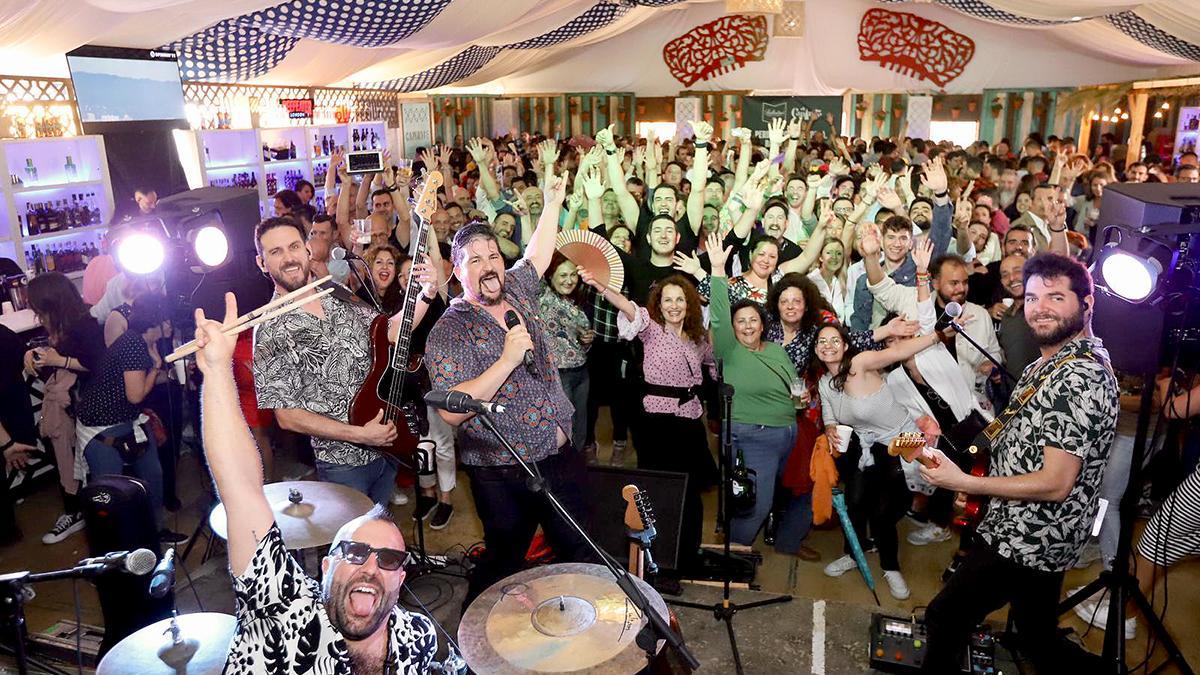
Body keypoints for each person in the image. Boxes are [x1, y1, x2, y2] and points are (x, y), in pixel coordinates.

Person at [190, 293, 437, 674]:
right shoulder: (283, 613)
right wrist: (219, 370)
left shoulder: (416, 641)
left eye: (388, 560)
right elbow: (240, 488)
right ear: (325, 566)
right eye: (354, 552)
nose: (371, 567)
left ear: (401, 580)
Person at [920, 252, 1119, 672]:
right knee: (1036, 637)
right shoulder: (1048, 363)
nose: (1040, 308)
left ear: (1087, 304)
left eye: (1055, 297)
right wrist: (965, 467)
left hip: (1029, 536)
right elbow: (1016, 437)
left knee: (945, 617)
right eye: (1031, 297)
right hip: (1031, 528)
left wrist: (970, 484)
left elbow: (1055, 482)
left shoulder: (1078, 378)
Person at [424, 169, 594, 606]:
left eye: (493, 255)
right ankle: (473, 644)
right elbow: (452, 411)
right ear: (457, 271)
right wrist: (506, 360)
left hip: (558, 455)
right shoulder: (450, 329)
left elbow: (537, 254)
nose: (488, 265)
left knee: (581, 549)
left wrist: (554, 203)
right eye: (474, 260)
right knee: (503, 561)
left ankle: (585, 635)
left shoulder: (516, 289)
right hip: (501, 472)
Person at [252, 216, 441, 506]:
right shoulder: (268, 329)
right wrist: (361, 435)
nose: (289, 258)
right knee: (353, 546)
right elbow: (286, 416)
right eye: (276, 252)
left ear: (308, 250)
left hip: (387, 443)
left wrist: (426, 295)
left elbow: (389, 331)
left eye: (293, 247)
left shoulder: (337, 292)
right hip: (343, 464)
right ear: (262, 263)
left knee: (382, 535)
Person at [582, 269, 716, 570]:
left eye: (680, 299)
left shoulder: (697, 337)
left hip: (690, 420)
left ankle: (688, 554)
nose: (673, 305)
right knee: (658, 489)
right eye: (667, 300)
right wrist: (600, 285)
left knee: (690, 492)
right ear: (659, 303)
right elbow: (627, 307)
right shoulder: (651, 328)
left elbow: (712, 361)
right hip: (655, 422)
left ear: (689, 303)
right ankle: (659, 556)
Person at [815, 319, 942, 600]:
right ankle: (854, 552)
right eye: (822, 341)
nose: (828, 346)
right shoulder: (825, 383)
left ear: (846, 346)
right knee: (855, 503)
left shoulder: (860, 363)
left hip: (900, 442)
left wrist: (939, 334)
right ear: (816, 349)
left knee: (886, 512)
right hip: (865, 446)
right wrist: (829, 428)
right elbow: (828, 415)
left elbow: (897, 353)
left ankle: (890, 566)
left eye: (835, 340)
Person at [706, 234, 803, 548]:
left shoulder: (776, 350)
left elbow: (795, 389)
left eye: (753, 320)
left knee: (766, 495)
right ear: (733, 329)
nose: (747, 326)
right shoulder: (728, 351)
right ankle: (735, 555)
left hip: (787, 435)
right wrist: (718, 269)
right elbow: (719, 313)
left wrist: (803, 398)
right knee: (754, 503)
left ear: (763, 324)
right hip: (752, 436)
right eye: (740, 321)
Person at [75, 293, 183, 543]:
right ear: (157, 320)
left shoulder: (143, 341)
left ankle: (154, 532)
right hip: (102, 425)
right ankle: (116, 548)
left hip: (129, 419)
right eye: (167, 320)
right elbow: (136, 395)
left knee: (153, 475)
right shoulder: (133, 344)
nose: (171, 325)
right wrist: (156, 367)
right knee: (110, 490)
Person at [25, 273, 105, 544]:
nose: (37, 316)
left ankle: (80, 512)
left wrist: (61, 359)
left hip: (88, 403)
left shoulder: (86, 324)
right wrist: (34, 356)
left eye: (39, 309)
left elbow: (97, 364)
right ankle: (76, 510)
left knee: (78, 459)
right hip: (67, 404)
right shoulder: (60, 326)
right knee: (65, 455)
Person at [538, 253, 593, 453]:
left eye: (573, 275)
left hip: (581, 370)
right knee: (564, 426)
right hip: (558, 373)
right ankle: (562, 472)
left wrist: (587, 340)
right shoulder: (542, 295)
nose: (569, 280)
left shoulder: (579, 300)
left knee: (581, 426)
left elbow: (579, 340)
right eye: (562, 275)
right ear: (550, 276)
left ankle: (576, 469)